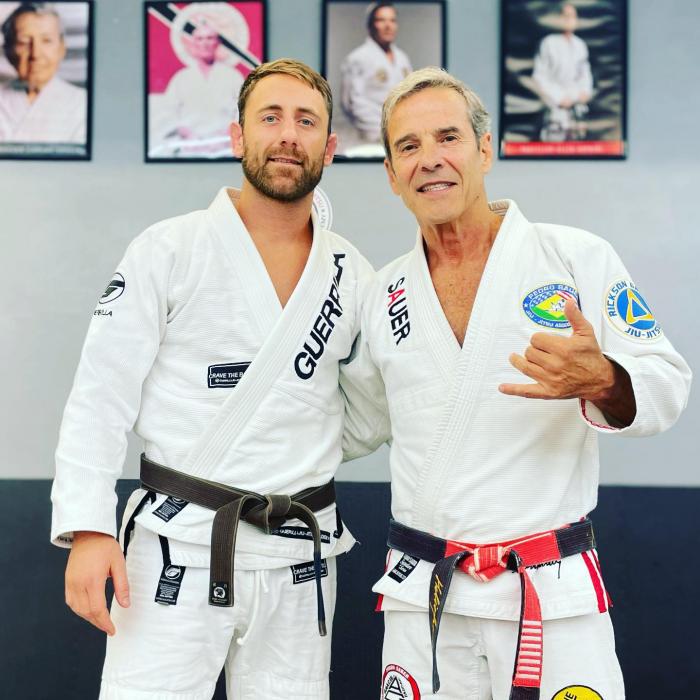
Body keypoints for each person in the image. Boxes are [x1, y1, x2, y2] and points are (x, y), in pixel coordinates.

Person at [341, 67, 691, 699]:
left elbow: (666, 382)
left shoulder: (574, 258)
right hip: (425, 594)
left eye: (448, 137)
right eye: (408, 146)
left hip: (548, 589)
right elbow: (355, 423)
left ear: (485, 149)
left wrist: (605, 379)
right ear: (391, 174)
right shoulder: (382, 293)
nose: (430, 159)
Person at [51, 58, 372, 699]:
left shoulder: (351, 273)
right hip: (176, 543)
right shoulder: (168, 249)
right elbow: (100, 394)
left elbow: (373, 407)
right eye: (270, 118)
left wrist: (303, 442)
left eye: (306, 121)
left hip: (297, 553)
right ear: (236, 136)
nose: (288, 135)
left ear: (330, 147)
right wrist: (89, 528)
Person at [150, 10, 245, 158]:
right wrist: (188, 135)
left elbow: (243, 112)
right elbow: (168, 115)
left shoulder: (233, 77)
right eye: (199, 39)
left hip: (224, 148)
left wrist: (223, 136)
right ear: (193, 44)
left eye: (209, 38)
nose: (205, 43)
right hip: (189, 148)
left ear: (217, 43)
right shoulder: (181, 78)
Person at [0, 2, 86, 143]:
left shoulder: (82, 103)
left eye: (46, 41)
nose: (36, 54)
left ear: (62, 48)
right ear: (8, 50)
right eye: (24, 42)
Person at [340, 1, 412, 146]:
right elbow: (351, 104)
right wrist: (379, 133)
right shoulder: (358, 58)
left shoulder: (403, 58)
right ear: (370, 25)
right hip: (371, 138)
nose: (388, 26)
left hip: (403, 134)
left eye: (392, 20)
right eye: (381, 20)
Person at [532, 2, 594, 141]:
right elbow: (539, 77)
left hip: (577, 109)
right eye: (566, 16)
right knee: (554, 146)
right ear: (558, 18)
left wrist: (584, 92)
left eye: (572, 16)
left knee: (579, 148)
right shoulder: (548, 43)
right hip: (556, 108)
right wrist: (559, 98)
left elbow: (585, 75)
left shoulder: (580, 45)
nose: (569, 19)